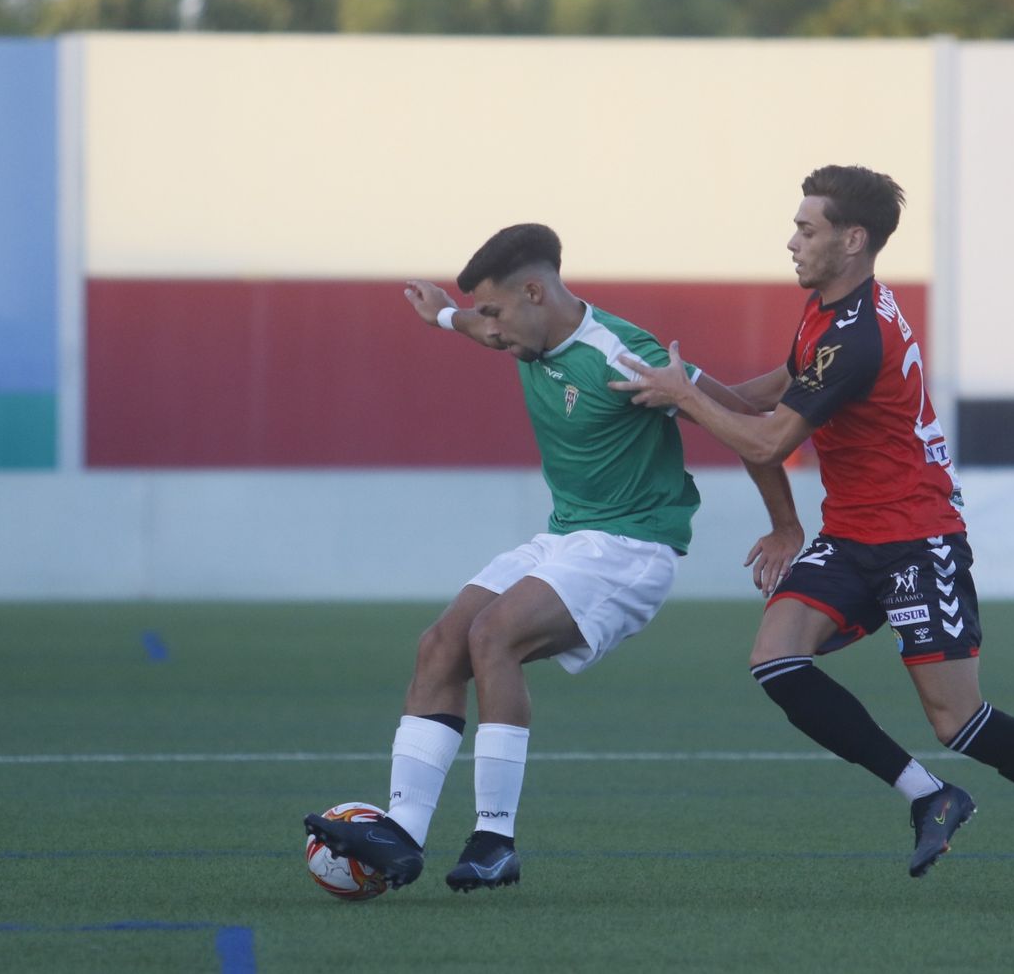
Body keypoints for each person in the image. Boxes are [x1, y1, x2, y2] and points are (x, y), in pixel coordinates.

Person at [608, 165, 1014, 909]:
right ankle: (927, 796)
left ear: (853, 239)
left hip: (917, 535)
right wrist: (679, 385)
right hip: (854, 534)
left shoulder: (858, 333)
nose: (791, 241)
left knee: (958, 720)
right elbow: (756, 401)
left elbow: (770, 442)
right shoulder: (829, 313)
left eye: (807, 229)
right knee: (775, 660)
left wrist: (684, 396)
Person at [304, 223, 803, 892]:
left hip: (633, 547)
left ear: (535, 291)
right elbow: (484, 327)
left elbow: (747, 425)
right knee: (440, 646)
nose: (490, 330)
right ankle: (401, 833)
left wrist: (785, 526)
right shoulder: (527, 333)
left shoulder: (624, 356)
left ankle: (494, 840)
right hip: (568, 537)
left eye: (495, 312)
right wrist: (444, 317)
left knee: (493, 637)